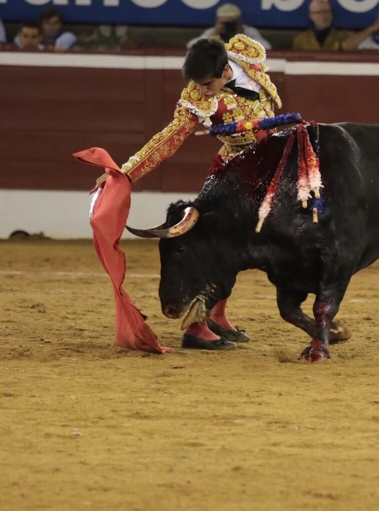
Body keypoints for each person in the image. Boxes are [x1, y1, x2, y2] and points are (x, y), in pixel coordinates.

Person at [99, 35, 283, 350]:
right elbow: (169, 138)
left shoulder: (245, 54)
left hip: (271, 172)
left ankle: (217, 317)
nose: (202, 89)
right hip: (234, 176)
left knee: (240, 249)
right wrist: (127, 172)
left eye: (208, 83)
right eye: (198, 84)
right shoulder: (198, 97)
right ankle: (196, 327)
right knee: (215, 248)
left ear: (226, 70)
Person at [189, 3, 271, 50]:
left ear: (239, 21)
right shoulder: (212, 32)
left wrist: (242, 36)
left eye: (231, 23)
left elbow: (267, 47)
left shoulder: (248, 31)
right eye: (224, 23)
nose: (228, 26)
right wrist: (212, 37)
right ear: (218, 21)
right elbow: (190, 46)